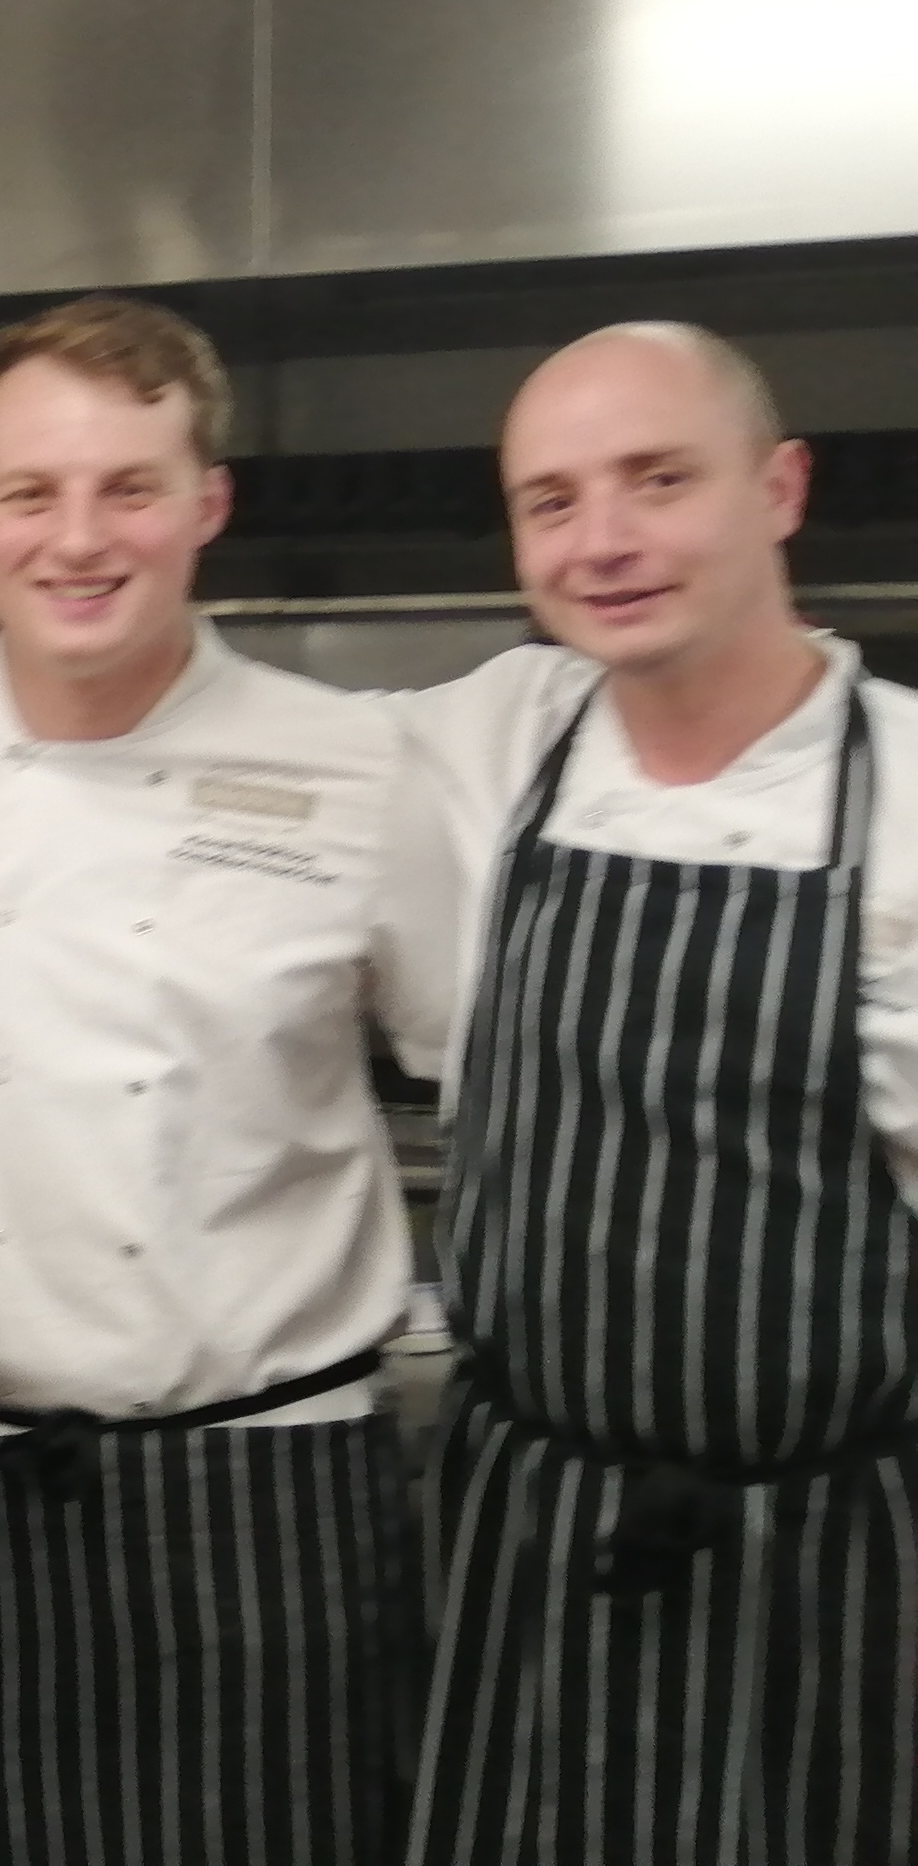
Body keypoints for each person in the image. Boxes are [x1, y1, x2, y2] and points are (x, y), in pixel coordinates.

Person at [0, 296, 454, 1862]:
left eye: (129, 490)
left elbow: (482, 1065)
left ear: (208, 503)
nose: (78, 539)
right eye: (31, 494)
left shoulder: (356, 765)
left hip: (276, 1496)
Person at [388, 325, 914, 1864]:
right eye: (549, 501)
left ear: (782, 487)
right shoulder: (497, 736)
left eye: (657, 481)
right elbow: (195, 743)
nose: (601, 541)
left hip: (836, 1560)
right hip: (530, 1545)